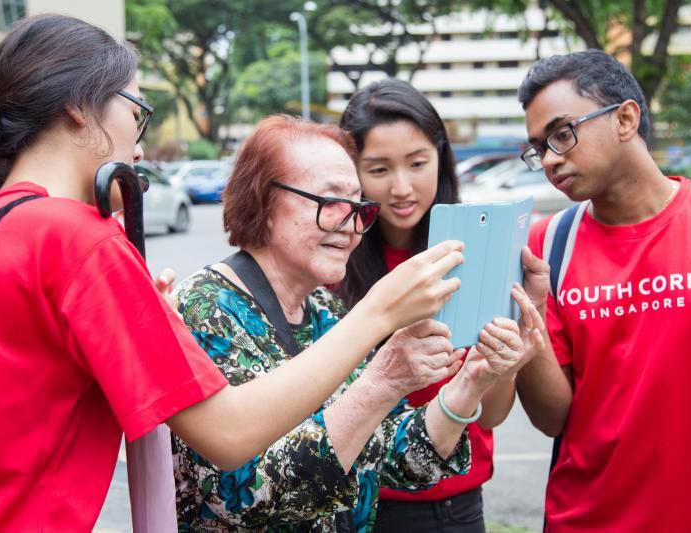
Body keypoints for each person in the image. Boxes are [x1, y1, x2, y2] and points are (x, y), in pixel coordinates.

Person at [0, 15, 467, 531]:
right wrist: (380, 312)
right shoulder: (82, 239)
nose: (139, 147)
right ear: (77, 106)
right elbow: (229, 438)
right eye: (137, 112)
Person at [170, 114, 546, 531]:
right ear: (263, 201)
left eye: (357, 206)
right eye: (330, 203)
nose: (350, 226)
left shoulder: (325, 310)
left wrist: (472, 381)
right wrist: (382, 378)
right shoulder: (204, 306)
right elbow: (239, 495)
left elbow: (394, 461)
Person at [519, 49, 691, 531]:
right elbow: (553, 419)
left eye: (562, 134)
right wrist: (528, 320)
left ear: (626, 118)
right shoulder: (544, 246)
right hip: (586, 520)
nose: (549, 159)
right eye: (538, 147)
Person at [336, 78, 562, 532]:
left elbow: (493, 414)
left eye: (418, 163)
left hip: (457, 507)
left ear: (441, 157)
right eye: (378, 170)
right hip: (361, 505)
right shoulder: (334, 260)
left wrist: (503, 360)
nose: (402, 187)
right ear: (351, 172)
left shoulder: (483, 249)